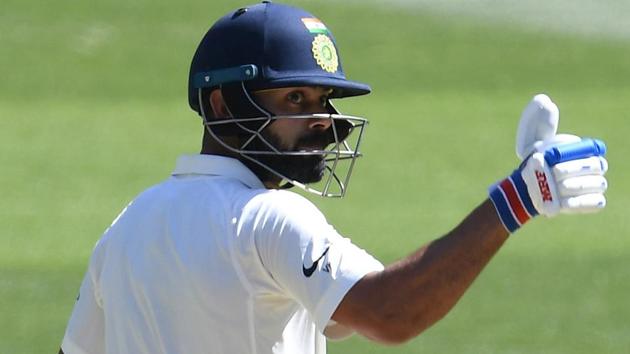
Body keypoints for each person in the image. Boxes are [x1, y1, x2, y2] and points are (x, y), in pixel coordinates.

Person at [59, 2, 609, 354]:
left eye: (323, 98)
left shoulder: (125, 230)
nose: (321, 118)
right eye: (295, 97)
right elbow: (392, 312)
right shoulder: (266, 219)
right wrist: (516, 200)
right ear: (222, 104)